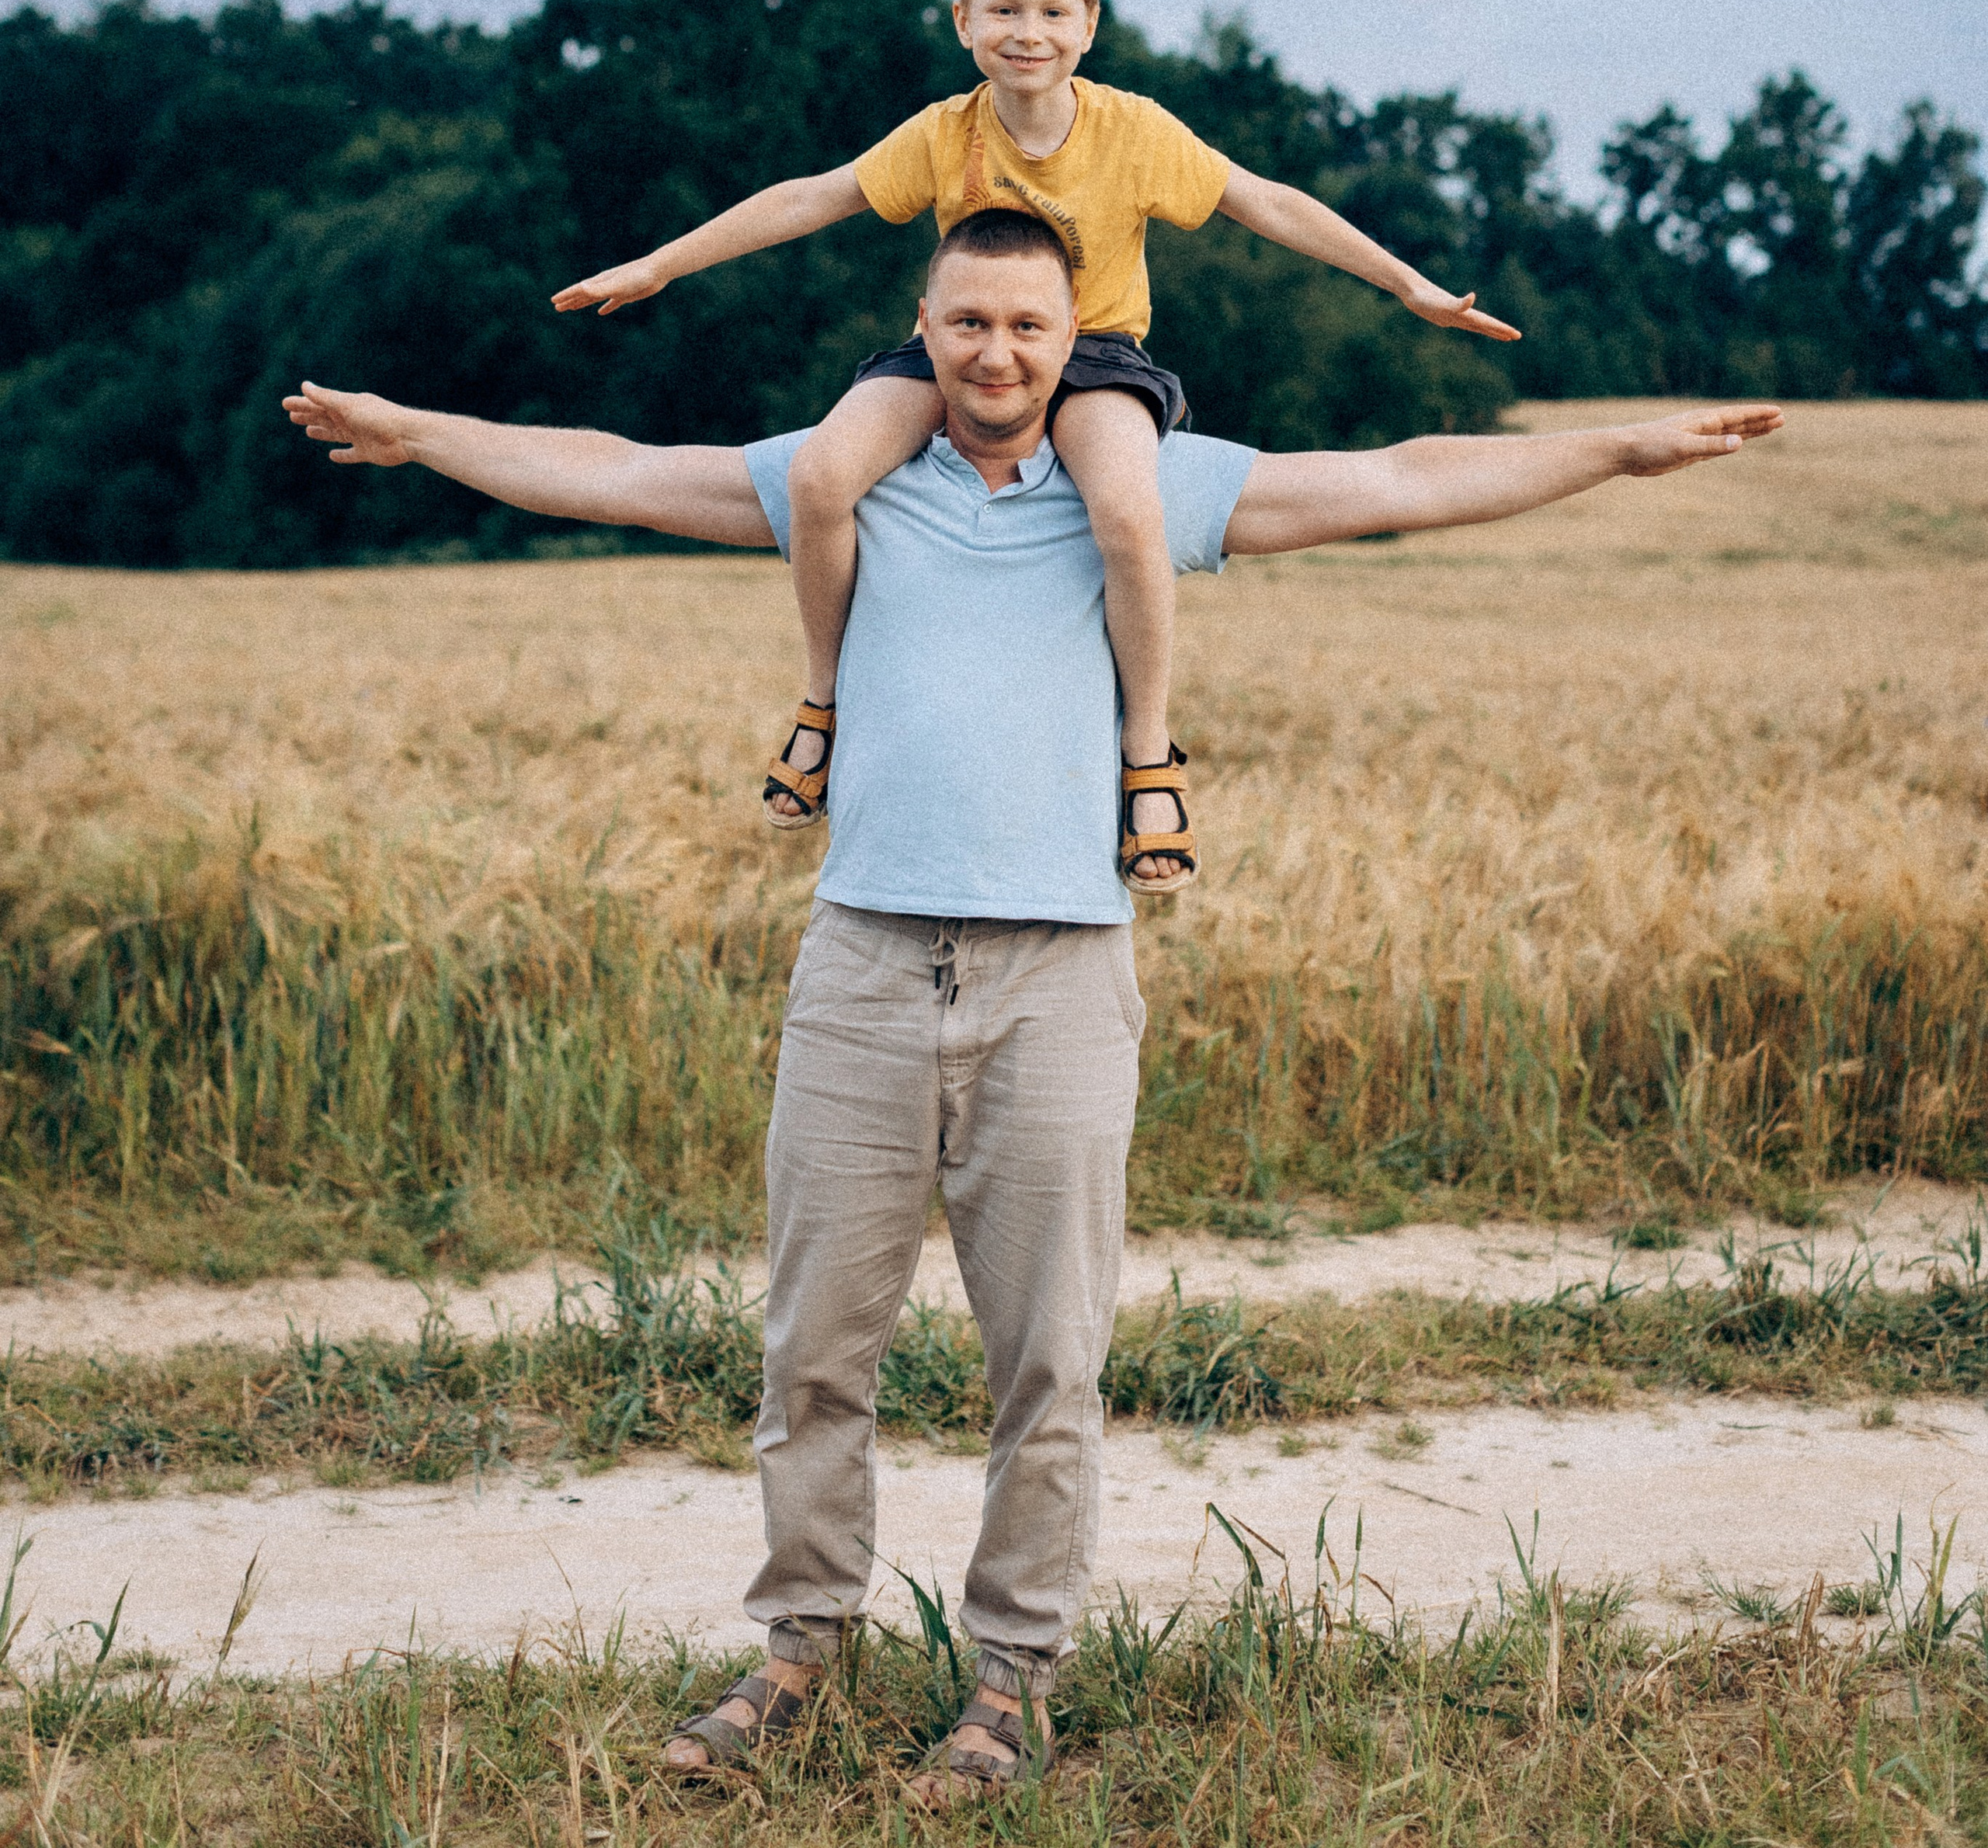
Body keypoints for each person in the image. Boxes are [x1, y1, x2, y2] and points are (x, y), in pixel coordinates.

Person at [285, 209, 1779, 1807]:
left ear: (1075, 341)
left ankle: (1008, 1685)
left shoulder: (1134, 488)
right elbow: (610, 466)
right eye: (965, 324)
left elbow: (1398, 478)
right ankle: (796, 1651)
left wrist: (1616, 448)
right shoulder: (846, 480)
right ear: (916, 331)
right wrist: (417, 433)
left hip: (1060, 974)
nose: (995, 354)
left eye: (1026, 327)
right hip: (861, 965)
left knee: (1044, 1366)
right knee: (811, 1352)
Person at [549, 0, 1521, 882]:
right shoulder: (943, 133)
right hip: (964, 348)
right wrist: (658, 265)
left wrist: (1409, 286)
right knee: (817, 476)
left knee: (1133, 519)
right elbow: (815, 195)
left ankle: (1145, 752)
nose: (1028, 34)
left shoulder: (1133, 130)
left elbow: (1263, 201)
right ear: (963, 20)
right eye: (1005, 10)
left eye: (1053, 14)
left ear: (1087, 28)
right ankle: (822, 702)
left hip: (1094, 354)